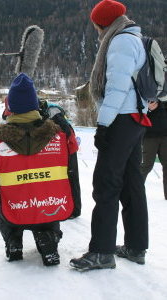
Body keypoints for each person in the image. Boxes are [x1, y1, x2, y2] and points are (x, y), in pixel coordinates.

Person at [70, 0, 149, 271]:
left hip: (121, 120)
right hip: (133, 119)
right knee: (130, 182)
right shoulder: (132, 37)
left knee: (106, 183)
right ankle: (136, 247)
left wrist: (103, 125)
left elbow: (116, 87)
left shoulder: (120, 41)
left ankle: (102, 252)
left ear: (101, 22)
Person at [0, 73, 77, 266]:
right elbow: (71, 153)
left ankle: (13, 241)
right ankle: (48, 239)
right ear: (35, 104)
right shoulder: (57, 135)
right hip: (50, 206)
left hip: (16, 208)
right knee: (46, 213)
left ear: (11, 108)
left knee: (4, 205)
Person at [141, 101, 167, 200]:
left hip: (165, 135)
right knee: (146, 166)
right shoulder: (147, 88)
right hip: (149, 136)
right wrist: (147, 108)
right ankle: (134, 192)